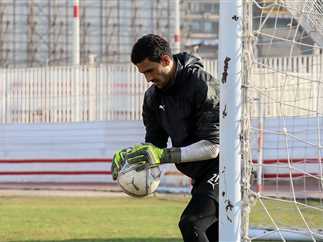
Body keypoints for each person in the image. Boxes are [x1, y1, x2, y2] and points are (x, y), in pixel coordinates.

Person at [111, 34, 220, 242]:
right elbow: (154, 147)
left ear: (166, 60)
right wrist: (131, 160)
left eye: (150, 70)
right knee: (212, 234)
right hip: (200, 176)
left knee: (192, 223)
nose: (148, 78)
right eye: (143, 73)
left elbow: (213, 147)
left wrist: (162, 155)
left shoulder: (202, 84)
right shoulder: (152, 98)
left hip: (225, 168)